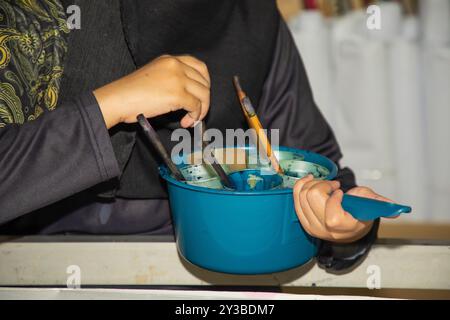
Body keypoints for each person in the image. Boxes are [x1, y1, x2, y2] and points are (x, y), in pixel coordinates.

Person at [0, 0, 390, 271]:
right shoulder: (36, 14)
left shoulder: (251, 16)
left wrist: (346, 229)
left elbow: (322, 178)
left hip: (221, 284)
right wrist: (108, 106)